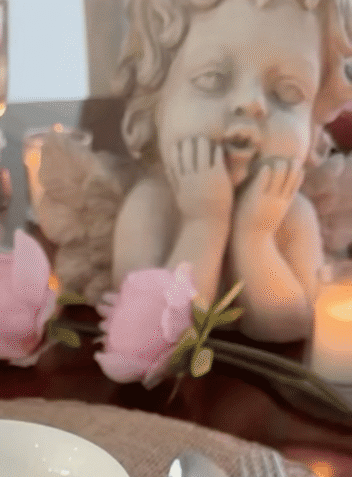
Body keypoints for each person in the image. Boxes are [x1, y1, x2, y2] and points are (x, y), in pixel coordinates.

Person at [37, 0, 352, 342]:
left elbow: (291, 327)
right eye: (213, 78)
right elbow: (155, 333)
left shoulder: (291, 214)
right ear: (156, 101)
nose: (251, 103)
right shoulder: (151, 208)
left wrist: (256, 239)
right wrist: (204, 224)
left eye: (288, 92)